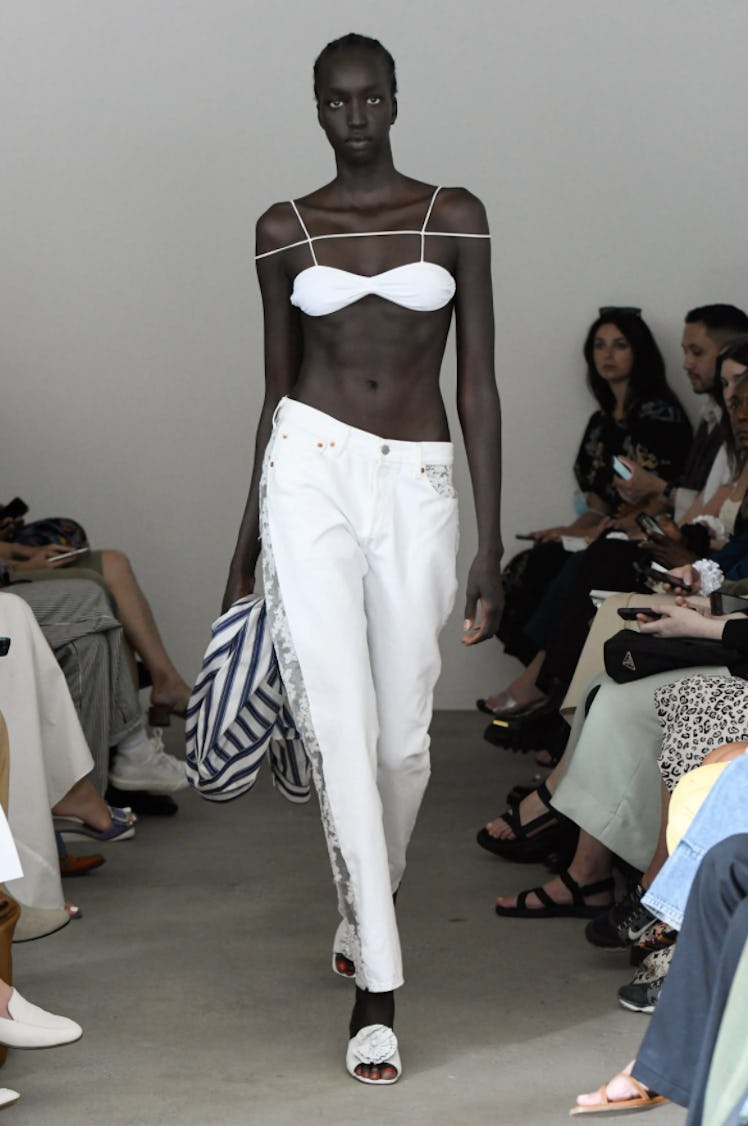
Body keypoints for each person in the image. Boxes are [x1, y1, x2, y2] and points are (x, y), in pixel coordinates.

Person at [222, 33, 502, 1084]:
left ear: (394, 100)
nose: (354, 117)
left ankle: (359, 898)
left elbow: (478, 384)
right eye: (335, 102)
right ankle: (376, 988)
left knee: (403, 744)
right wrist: (242, 549)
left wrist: (489, 537)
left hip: (419, 483)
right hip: (309, 473)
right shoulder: (281, 228)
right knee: (339, 726)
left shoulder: (454, 214)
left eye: (370, 98)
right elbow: (272, 391)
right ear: (315, 107)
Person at [482, 307, 693, 717]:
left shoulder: (660, 414)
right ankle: (555, 689)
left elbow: (663, 499)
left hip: (642, 534)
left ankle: (545, 687)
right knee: (530, 566)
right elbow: (597, 505)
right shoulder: (600, 421)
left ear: (640, 352)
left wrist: (604, 529)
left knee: (581, 569)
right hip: (606, 529)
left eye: (619, 345)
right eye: (599, 345)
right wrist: (565, 531)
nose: (607, 355)